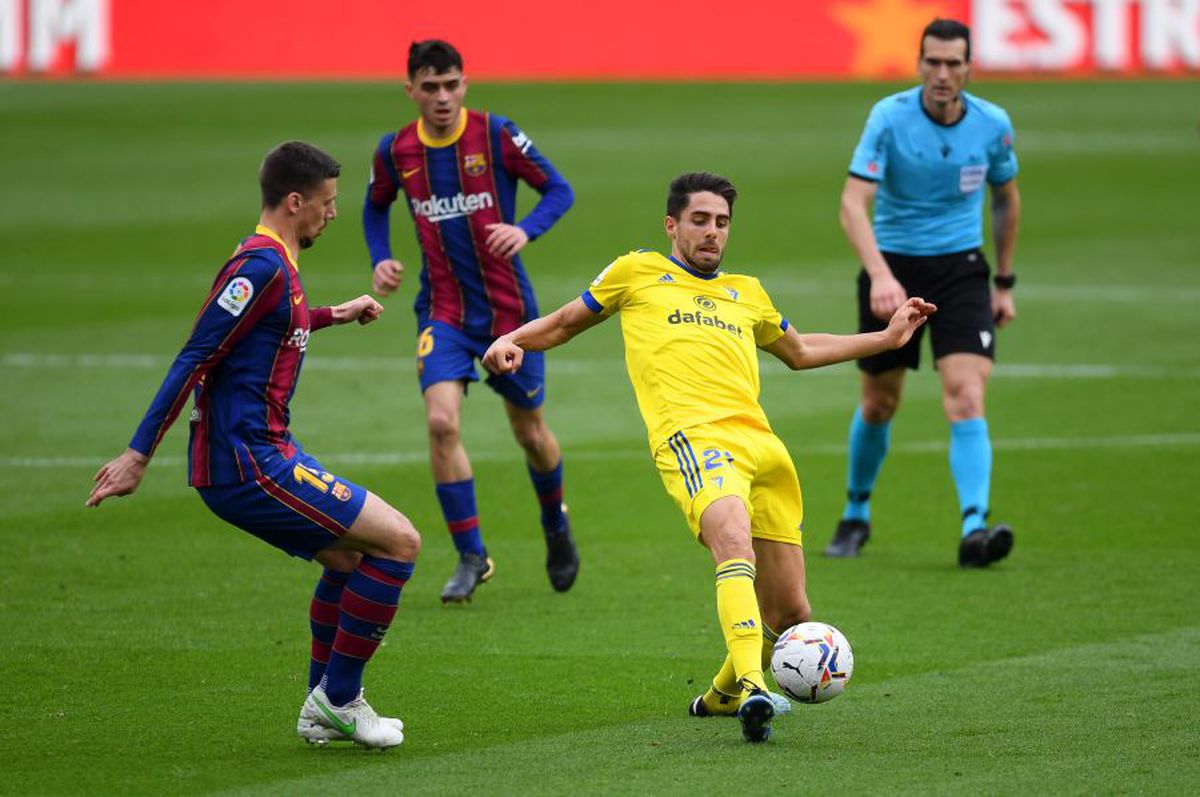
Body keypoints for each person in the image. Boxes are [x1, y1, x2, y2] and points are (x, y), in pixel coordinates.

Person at [482, 172, 935, 742]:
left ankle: (722, 695)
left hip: (764, 448)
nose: (712, 232)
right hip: (693, 440)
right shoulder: (637, 271)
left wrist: (886, 339)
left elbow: (798, 350)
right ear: (672, 224)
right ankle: (753, 687)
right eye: (700, 220)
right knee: (732, 540)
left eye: (722, 222)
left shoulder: (747, 291)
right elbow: (566, 322)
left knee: (791, 611)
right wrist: (513, 340)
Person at [86, 141, 421, 749]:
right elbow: (196, 354)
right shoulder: (259, 267)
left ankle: (325, 708)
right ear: (296, 202)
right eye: (327, 203)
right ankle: (339, 698)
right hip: (248, 462)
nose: (333, 214)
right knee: (399, 543)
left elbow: (273, 325)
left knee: (350, 560)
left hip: (263, 454)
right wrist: (139, 453)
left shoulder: (275, 264)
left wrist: (332, 315)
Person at [363, 39, 577, 604]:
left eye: (451, 84)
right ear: (410, 90)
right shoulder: (396, 151)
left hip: (511, 315)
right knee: (441, 424)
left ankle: (555, 522)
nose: (442, 96)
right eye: (429, 87)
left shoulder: (496, 135)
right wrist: (380, 256)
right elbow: (374, 204)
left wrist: (525, 229)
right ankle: (471, 555)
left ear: (465, 84)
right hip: (443, 313)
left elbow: (560, 188)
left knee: (530, 432)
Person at [826, 18, 1022, 567]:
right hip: (892, 267)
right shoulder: (889, 118)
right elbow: (851, 203)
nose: (941, 73)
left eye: (952, 63)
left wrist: (1003, 282)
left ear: (968, 68)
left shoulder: (992, 124)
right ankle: (855, 513)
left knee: (966, 394)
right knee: (879, 401)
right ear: (919, 65)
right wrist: (881, 274)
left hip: (961, 271)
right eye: (931, 62)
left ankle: (974, 529)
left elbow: (1006, 199)